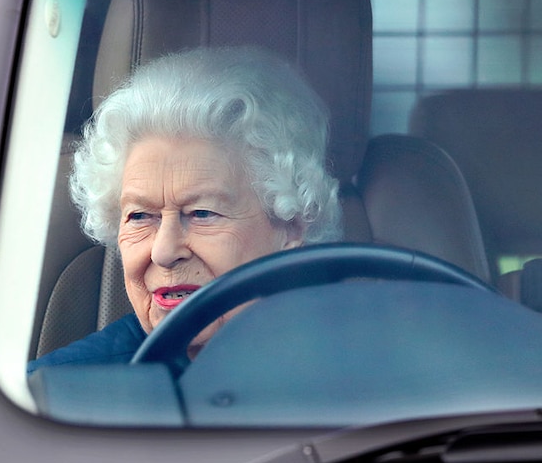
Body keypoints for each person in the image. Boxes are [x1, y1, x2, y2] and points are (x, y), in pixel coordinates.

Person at [30, 46, 342, 372]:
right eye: (139, 216)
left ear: (290, 227)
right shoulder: (59, 393)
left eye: (202, 213)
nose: (164, 252)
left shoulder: (372, 377)